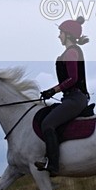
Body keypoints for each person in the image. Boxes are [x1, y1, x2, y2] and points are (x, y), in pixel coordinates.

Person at [36, 16, 91, 175]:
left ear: (68, 35)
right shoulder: (70, 52)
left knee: (47, 124)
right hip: (70, 97)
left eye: (60, 33)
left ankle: (53, 165)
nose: (59, 36)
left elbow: (72, 79)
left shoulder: (71, 52)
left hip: (75, 98)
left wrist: (52, 91)